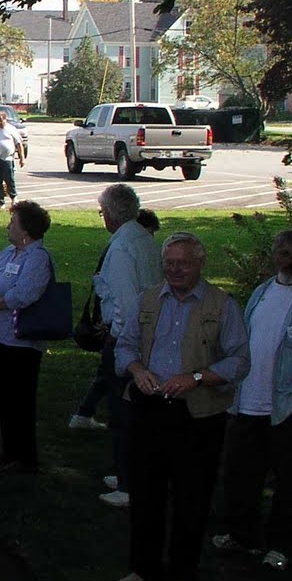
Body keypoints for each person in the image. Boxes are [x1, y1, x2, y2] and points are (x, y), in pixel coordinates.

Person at [114, 231, 250, 581]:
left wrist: (196, 378)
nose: (175, 270)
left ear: (200, 264)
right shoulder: (147, 299)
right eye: (169, 263)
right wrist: (137, 369)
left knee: (192, 496)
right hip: (149, 408)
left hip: (198, 414)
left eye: (183, 263)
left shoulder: (222, 306)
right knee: (145, 492)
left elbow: (240, 360)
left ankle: (182, 578)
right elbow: (124, 345)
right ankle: (143, 568)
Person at [214, 230, 292, 570]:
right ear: (274, 256)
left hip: (287, 406)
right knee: (241, 474)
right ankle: (243, 536)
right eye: (283, 253)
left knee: (287, 478)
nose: (289, 260)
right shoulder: (262, 293)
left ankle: (281, 544)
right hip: (249, 400)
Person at [83, 185, 165, 509]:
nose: (101, 217)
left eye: (102, 212)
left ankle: (128, 483)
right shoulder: (143, 240)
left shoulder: (120, 249)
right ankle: (126, 473)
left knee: (123, 411)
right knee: (132, 411)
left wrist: (114, 335)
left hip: (127, 340)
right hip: (148, 335)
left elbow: (125, 301)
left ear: (112, 213)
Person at [0, 200, 55, 472]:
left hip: (21, 340)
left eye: (13, 222)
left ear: (26, 230)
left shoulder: (37, 258)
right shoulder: (9, 252)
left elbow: (25, 294)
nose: (8, 226)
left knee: (21, 399)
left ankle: (24, 456)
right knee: (5, 398)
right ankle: (8, 450)